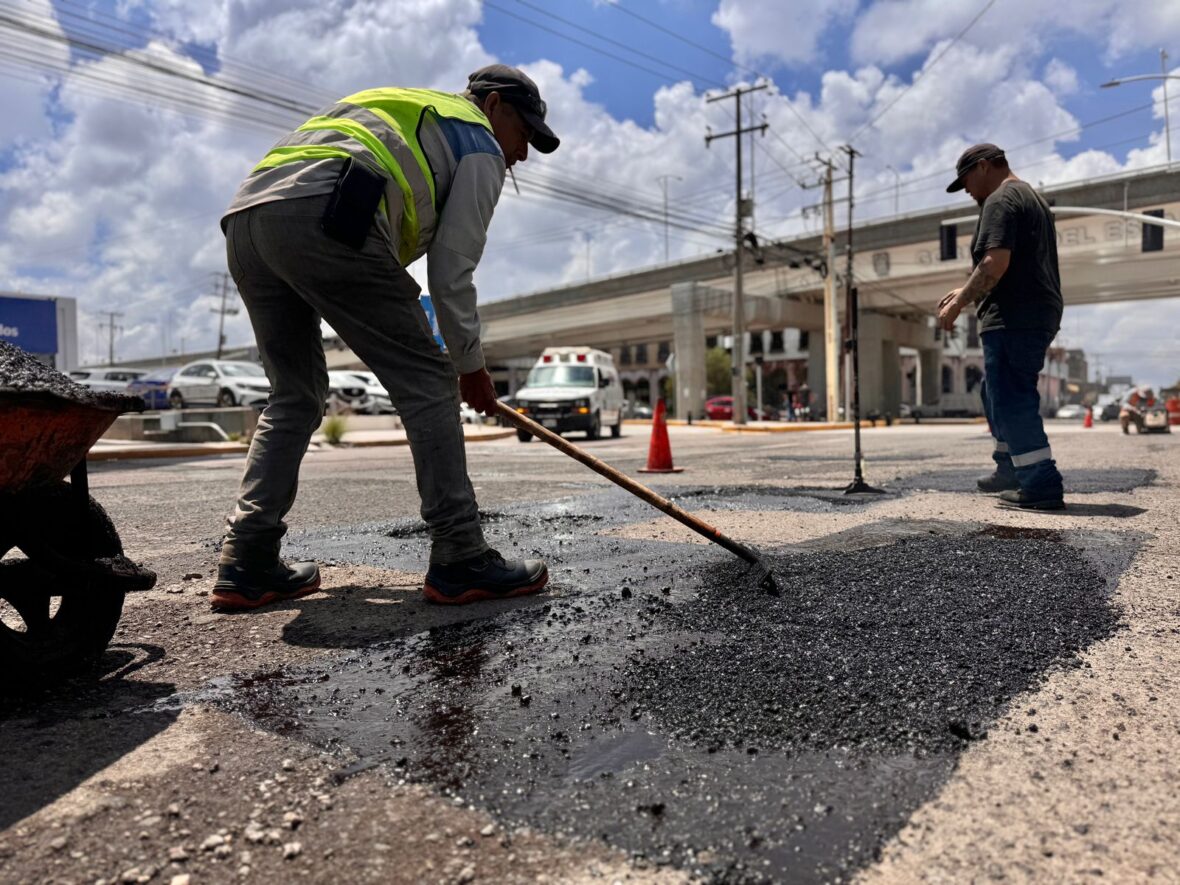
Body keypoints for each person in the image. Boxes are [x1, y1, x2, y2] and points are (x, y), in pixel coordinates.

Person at [212, 65, 560, 610]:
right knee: (428, 380)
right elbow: (451, 273)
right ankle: (460, 555)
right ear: (495, 106)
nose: (522, 154)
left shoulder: (410, 105)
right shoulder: (477, 140)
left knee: (295, 395)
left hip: (248, 218)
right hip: (329, 206)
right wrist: (470, 368)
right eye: (524, 135)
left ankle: (247, 558)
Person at [938, 144, 1065, 510]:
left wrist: (960, 302)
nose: (968, 192)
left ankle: (1041, 482)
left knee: (1010, 395)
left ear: (982, 167)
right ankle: (1009, 468)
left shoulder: (999, 199)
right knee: (993, 391)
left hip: (1015, 315)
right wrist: (964, 289)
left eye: (966, 182)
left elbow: (994, 263)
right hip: (1032, 311)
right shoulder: (1031, 198)